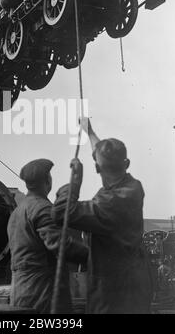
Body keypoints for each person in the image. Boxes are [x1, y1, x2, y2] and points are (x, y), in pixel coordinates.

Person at [52, 119, 153, 314]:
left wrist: (74, 183)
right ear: (127, 163)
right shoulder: (133, 187)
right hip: (137, 286)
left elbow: (61, 213)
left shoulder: (109, 203)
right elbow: (102, 153)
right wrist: (90, 132)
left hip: (113, 293)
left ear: (97, 168)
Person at [7, 158, 88, 314]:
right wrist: (93, 257)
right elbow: (60, 245)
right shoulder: (42, 208)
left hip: (20, 290)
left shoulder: (17, 212)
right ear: (47, 181)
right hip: (42, 293)